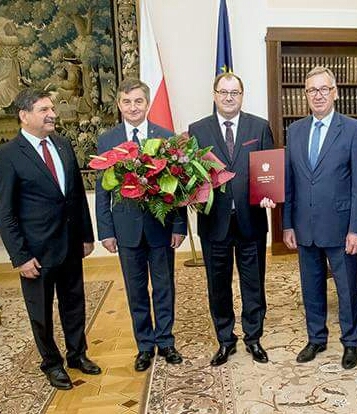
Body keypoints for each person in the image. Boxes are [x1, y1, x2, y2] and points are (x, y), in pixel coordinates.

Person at [0, 88, 101, 390]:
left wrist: (86, 236)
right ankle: (52, 364)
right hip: (36, 252)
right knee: (41, 313)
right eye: (44, 110)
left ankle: (77, 354)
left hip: (70, 243)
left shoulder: (62, 144)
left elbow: (76, 195)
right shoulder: (8, 155)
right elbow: (5, 212)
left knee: (74, 303)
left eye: (51, 108)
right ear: (24, 115)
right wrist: (20, 256)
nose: (52, 114)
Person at [95, 78, 187, 372]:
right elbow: (102, 192)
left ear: (147, 103)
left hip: (161, 228)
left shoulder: (166, 137)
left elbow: (177, 188)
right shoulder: (107, 141)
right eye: (127, 102)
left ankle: (166, 341)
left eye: (138, 101)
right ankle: (145, 346)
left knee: (164, 287)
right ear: (119, 105)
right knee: (136, 290)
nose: (133, 107)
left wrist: (179, 226)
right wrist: (106, 231)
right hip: (126, 231)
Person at [283, 66, 357, 370]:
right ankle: (316, 338)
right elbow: (289, 182)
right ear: (305, 95)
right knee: (311, 287)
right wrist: (287, 224)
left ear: (335, 92)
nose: (318, 95)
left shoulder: (353, 129)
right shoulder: (294, 131)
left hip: (341, 227)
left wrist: (356, 229)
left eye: (324, 89)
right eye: (312, 90)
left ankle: (351, 342)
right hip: (304, 226)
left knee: (347, 290)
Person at [189, 72, 274, 366]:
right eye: (223, 92)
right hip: (214, 223)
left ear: (242, 96)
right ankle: (226, 340)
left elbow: (269, 169)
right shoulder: (197, 130)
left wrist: (269, 194)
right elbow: (191, 175)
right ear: (214, 95)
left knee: (254, 284)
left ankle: (254, 337)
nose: (228, 97)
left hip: (251, 220)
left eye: (234, 93)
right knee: (218, 286)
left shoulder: (259, 126)